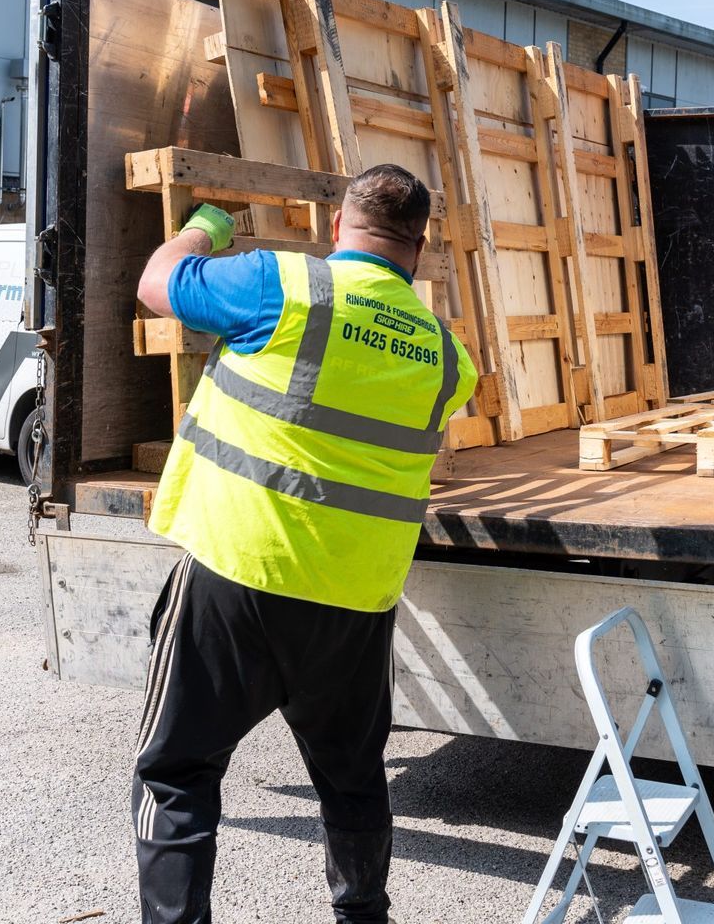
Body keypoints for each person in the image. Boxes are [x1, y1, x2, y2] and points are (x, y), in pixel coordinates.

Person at [129, 164, 476, 924]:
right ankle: (362, 917)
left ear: (336, 229)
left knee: (178, 773)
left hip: (237, 574)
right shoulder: (450, 359)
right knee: (353, 781)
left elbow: (157, 283)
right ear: (419, 249)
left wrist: (205, 229)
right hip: (353, 603)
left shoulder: (277, 284)